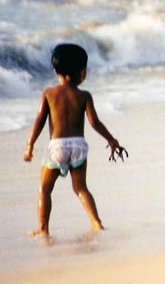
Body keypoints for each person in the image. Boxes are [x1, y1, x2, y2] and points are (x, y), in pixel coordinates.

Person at [23, 43, 128, 236]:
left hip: (57, 148)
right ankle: (96, 222)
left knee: (45, 189)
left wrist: (30, 144)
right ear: (82, 72)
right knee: (80, 188)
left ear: (55, 70)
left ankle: (43, 229)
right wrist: (111, 139)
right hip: (79, 146)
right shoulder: (84, 95)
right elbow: (94, 122)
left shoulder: (49, 94)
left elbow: (39, 120)